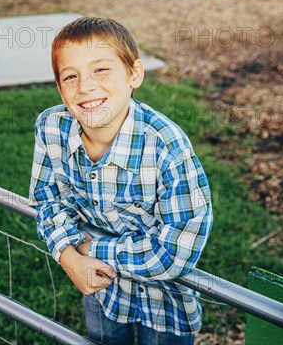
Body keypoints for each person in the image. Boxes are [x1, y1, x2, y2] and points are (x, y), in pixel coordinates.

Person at [29, 17, 213, 345]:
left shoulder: (166, 145)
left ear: (134, 74)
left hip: (163, 303)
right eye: (71, 76)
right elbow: (46, 198)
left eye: (101, 69)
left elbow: (175, 252)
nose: (85, 86)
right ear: (60, 88)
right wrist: (69, 258)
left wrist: (86, 248)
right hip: (100, 290)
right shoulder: (51, 128)